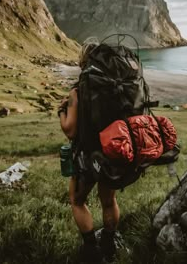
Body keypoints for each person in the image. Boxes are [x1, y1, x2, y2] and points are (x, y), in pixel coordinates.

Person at [58, 38, 120, 264]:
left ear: (83, 61)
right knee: (108, 201)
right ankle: (109, 243)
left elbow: (70, 131)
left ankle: (92, 250)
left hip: (87, 156)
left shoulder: (78, 90)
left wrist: (61, 112)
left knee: (76, 200)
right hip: (114, 153)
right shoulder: (116, 87)